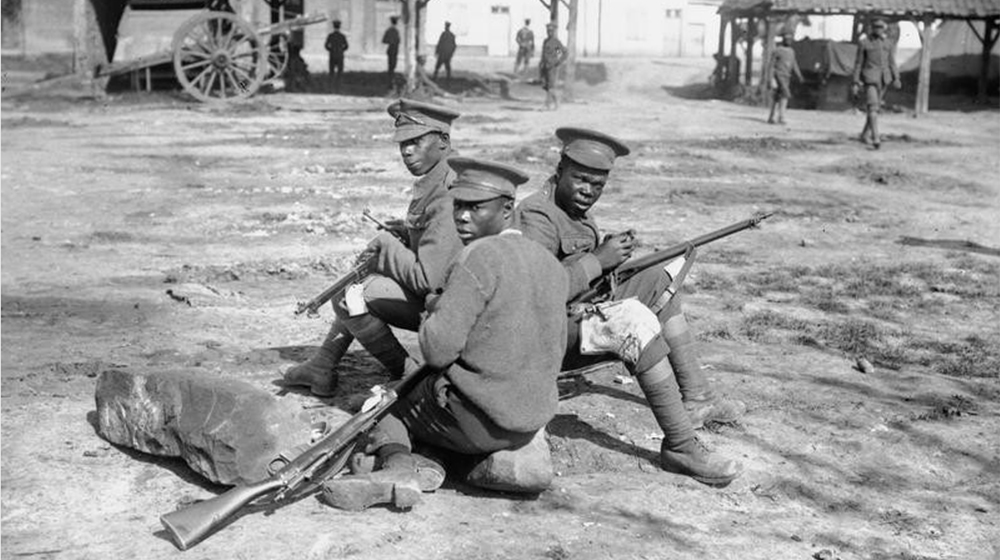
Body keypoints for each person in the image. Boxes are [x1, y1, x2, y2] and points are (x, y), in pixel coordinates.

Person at [320, 157, 569, 511]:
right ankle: (484, 463)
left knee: (384, 402)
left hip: (478, 419)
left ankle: (398, 468)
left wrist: (434, 309)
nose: (462, 217)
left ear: (508, 208)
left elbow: (437, 351)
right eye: (459, 206)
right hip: (530, 417)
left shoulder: (476, 256)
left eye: (476, 207)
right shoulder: (550, 264)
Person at [516, 127, 744, 486]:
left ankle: (698, 396)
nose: (588, 191)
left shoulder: (574, 210)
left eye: (598, 185)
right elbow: (535, 293)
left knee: (656, 279)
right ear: (560, 170)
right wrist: (599, 260)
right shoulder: (537, 215)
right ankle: (681, 446)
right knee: (632, 321)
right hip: (542, 339)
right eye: (581, 179)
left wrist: (609, 257)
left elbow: (577, 272)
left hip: (572, 315)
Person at [283, 99, 464, 396]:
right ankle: (322, 364)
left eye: (416, 141)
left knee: (349, 296)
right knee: (356, 285)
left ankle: (407, 376)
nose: (406, 150)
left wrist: (386, 247)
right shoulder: (436, 176)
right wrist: (405, 233)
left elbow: (430, 279)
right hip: (444, 297)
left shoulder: (447, 189)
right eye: (402, 143)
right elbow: (441, 242)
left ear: (443, 140)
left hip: (453, 309)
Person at [852, 18, 900, 149]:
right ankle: (876, 138)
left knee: (875, 108)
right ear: (871, 28)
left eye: (881, 27)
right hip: (870, 79)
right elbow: (858, 64)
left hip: (884, 79)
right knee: (873, 107)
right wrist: (855, 81)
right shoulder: (864, 43)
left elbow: (892, 62)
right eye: (876, 27)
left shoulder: (888, 44)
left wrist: (896, 78)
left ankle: (864, 134)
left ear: (884, 29)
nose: (878, 30)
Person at [767, 32, 804, 125]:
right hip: (778, 76)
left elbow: (794, 64)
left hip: (787, 77)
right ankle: (781, 117)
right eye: (786, 39)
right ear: (783, 40)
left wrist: (799, 75)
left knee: (777, 97)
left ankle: (772, 117)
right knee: (785, 95)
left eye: (790, 39)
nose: (788, 41)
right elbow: (771, 65)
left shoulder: (791, 52)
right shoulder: (777, 50)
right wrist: (770, 78)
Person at [538, 22, 567, 110]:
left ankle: (546, 105)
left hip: (552, 68)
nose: (549, 32)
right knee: (547, 87)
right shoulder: (545, 41)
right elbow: (543, 55)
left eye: (551, 31)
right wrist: (541, 65)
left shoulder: (555, 42)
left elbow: (562, 54)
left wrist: (557, 62)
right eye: (548, 31)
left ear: (554, 31)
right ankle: (557, 104)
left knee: (551, 87)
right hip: (545, 67)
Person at [324, 20, 349, 89]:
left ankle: (331, 86)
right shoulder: (342, 36)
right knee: (339, 72)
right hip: (340, 56)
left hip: (332, 55)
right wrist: (341, 51)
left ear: (333, 26)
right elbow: (346, 46)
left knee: (331, 72)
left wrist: (331, 50)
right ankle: (338, 86)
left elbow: (326, 45)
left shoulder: (330, 36)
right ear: (340, 26)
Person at [383, 16, 401, 90]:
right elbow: (398, 41)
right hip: (393, 50)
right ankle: (390, 83)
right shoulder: (395, 31)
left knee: (391, 67)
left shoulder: (390, 30)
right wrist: (392, 42)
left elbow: (384, 40)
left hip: (392, 50)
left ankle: (390, 83)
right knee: (392, 67)